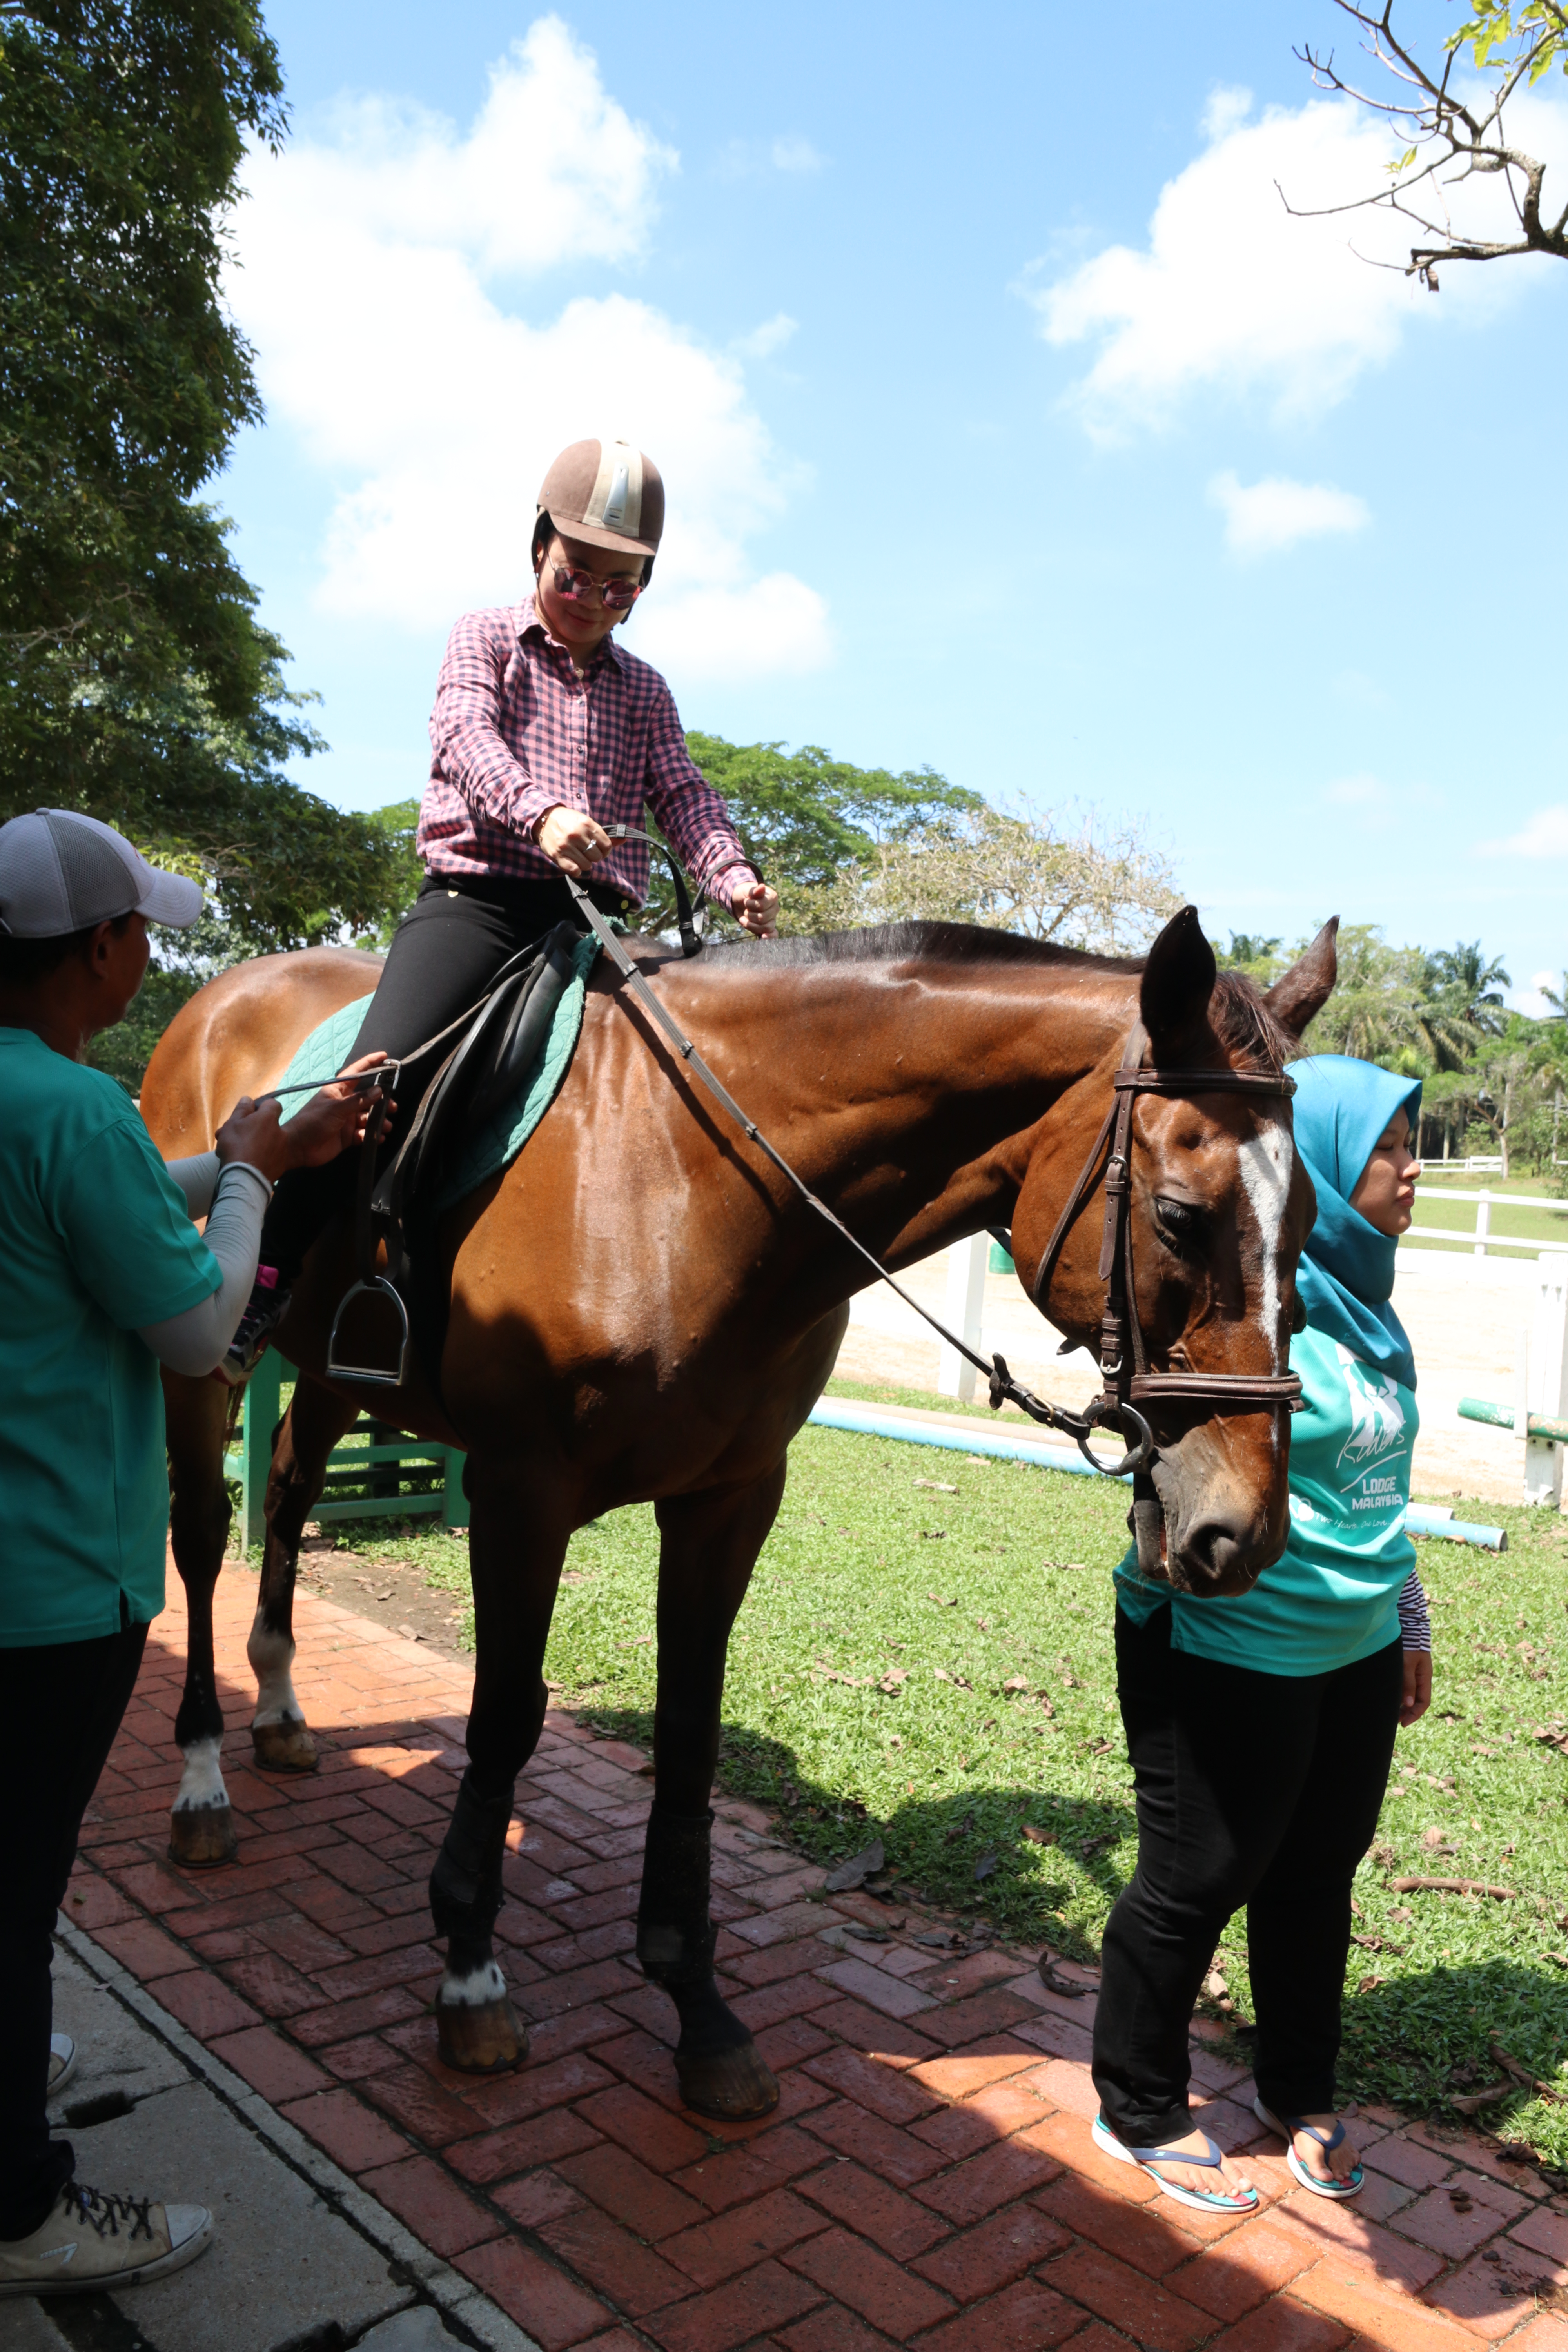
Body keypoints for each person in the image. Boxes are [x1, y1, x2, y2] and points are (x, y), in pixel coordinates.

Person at [0, 809, 375, 2298]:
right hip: (50, 1581)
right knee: (22, 1886)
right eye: (139, 931)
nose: (149, 952)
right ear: (98, 950)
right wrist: (257, 1189)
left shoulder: (33, 1110)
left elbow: (75, 1221)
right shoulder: (80, 1110)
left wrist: (228, 1154)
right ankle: (27, 2210)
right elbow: (203, 1326)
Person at [226, 436, 780, 1378]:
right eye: (579, 577)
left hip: (590, 925)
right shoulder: (482, 638)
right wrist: (544, 813)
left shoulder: (645, 691)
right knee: (376, 1078)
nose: (597, 599)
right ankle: (266, 1277)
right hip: (478, 904)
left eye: (623, 586)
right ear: (539, 554)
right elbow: (465, 740)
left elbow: (684, 795)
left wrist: (731, 876)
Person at [1087, 1054, 1433, 2215]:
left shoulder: (1373, 1316)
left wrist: (1409, 1616)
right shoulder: (1242, 1306)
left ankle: (1296, 2088)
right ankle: (1135, 2101)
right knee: (1201, 1874)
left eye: (1410, 1142)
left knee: (1318, 1876)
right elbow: (1166, 1464)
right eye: (1386, 1146)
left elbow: (1385, 1485)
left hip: (1355, 1642)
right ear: (1325, 1169)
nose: (1410, 1168)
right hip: (1233, 1640)